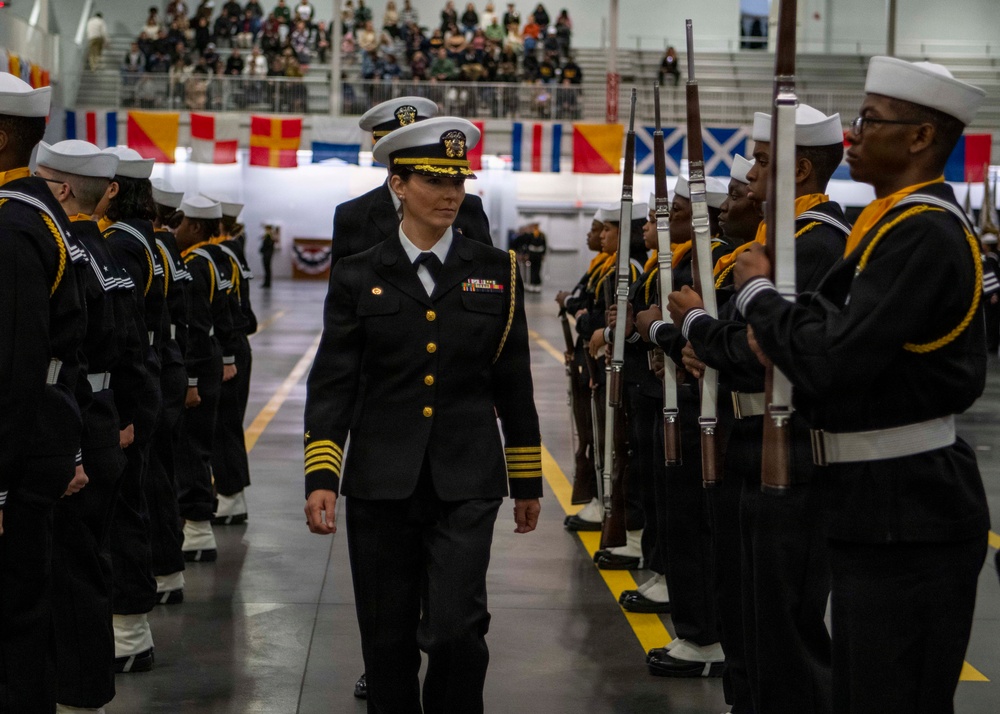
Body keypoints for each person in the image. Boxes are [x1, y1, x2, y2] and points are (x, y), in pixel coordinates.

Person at [729, 57, 988, 713]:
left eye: (872, 120)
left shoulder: (923, 233)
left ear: (920, 138)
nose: (855, 136)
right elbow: (817, 336)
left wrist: (759, 296)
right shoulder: (888, 228)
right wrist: (794, 332)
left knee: (891, 696)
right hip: (877, 506)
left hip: (913, 508)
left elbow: (830, 361)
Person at [304, 115, 541, 713]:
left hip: (468, 477)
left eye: (458, 180)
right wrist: (321, 476)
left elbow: (513, 382)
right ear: (398, 184)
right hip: (382, 479)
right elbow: (333, 381)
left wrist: (527, 479)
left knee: (458, 630)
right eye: (434, 180)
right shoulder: (359, 274)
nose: (451, 193)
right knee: (386, 642)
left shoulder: (497, 271)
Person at [36, 140, 149, 713]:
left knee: (70, 573)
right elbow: (129, 345)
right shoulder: (103, 254)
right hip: (103, 417)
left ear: (58, 190)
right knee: (91, 562)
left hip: (77, 421)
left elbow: (66, 352)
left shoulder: (66, 251)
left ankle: (78, 697)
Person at [0, 72, 87, 712]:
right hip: (41, 434)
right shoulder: (38, 215)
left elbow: (12, 367)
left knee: (13, 619)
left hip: (17, 448)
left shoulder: (10, 228)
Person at [331, 96, 492, 268]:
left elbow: (487, 273)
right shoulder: (353, 215)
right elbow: (343, 284)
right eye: (434, 181)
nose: (450, 194)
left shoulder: (468, 208)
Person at [208, 198, 257, 525]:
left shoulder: (220, 255)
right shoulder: (234, 253)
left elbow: (226, 312)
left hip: (229, 346)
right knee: (228, 425)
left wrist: (225, 356)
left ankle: (230, 496)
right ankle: (230, 495)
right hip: (237, 344)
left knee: (223, 426)